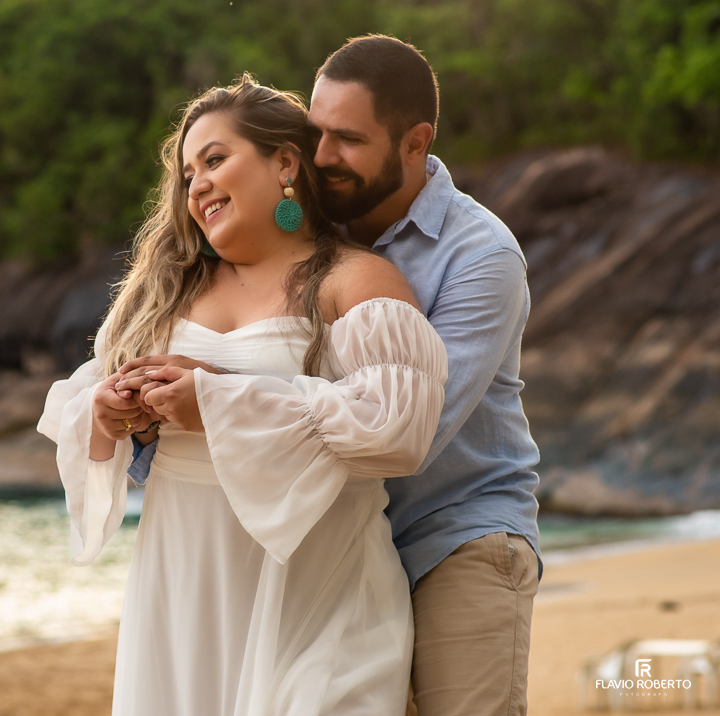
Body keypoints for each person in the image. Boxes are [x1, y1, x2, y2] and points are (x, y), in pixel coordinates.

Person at [37, 75, 448, 715]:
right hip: (182, 598)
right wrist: (107, 412)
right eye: (186, 174)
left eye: (215, 160)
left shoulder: (354, 280)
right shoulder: (157, 299)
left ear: (284, 163)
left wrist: (218, 402)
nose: (196, 184)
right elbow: (79, 407)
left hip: (320, 600)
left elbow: (398, 427)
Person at [306, 35, 542, 716]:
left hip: (457, 532)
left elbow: (409, 435)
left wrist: (234, 414)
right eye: (315, 132)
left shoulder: (482, 255)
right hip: (344, 546)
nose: (322, 157)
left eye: (347, 138)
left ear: (416, 142)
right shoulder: (308, 229)